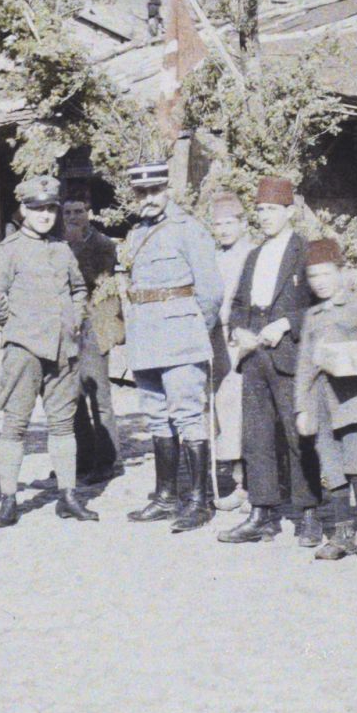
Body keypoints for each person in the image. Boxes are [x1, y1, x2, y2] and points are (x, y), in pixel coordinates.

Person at [0, 176, 93, 528]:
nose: (45, 215)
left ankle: (67, 495)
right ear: (23, 210)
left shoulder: (61, 250)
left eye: (50, 209)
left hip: (63, 350)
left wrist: (74, 320)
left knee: (62, 425)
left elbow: (78, 289)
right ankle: (8, 499)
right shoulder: (8, 251)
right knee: (15, 424)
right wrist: (19, 325)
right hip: (24, 350)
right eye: (37, 208)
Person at [120, 161, 225, 533]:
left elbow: (211, 292)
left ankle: (199, 500)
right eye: (141, 193)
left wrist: (195, 331)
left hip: (181, 338)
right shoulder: (135, 234)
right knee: (156, 415)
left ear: (167, 190)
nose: (148, 199)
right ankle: (166, 495)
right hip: (145, 336)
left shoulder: (188, 230)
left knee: (187, 415)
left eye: (154, 191)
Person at [220, 176, 318, 546]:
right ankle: (263, 513)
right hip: (254, 355)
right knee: (257, 437)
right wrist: (240, 331)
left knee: (297, 435)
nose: (265, 217)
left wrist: (286, 324)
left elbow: (318, 304)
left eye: (272, 210)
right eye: (260, 210)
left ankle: (309, 513)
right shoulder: (254, 255)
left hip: (289, 353)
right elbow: (241, 304)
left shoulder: (304, 252)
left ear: (290, 212)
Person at [291, 238, 357, 566]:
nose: (320, 282)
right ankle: (343, 533)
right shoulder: (312, 315)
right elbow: (304, 364)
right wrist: (301, 407)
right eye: (313, 276)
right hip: (321, 403)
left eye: (326, 274)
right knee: (332, 469)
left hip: (354, 398)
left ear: (341, 272)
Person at [60, 190, 124, 486]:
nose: (73, 218)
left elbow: (94, 279)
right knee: (72, 394)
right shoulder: (60, 246)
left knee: (98, 394)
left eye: (78, 211)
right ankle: (83, 458)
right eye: (68, 213)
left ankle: (108, 460)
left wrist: (71, 250)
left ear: (89, 213)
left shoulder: (103, 244)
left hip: (96, 326)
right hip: (70, 328)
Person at [205, 192, 254, 509]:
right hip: (216, 339)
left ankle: (251, 485)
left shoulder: (252, 255)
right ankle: (237, 483)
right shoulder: (213, 257)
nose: (223, 230)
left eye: (229, 223)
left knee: (245, 411)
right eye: (217, 224)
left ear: (242, 223)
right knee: (224, 411)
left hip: (244, 339)